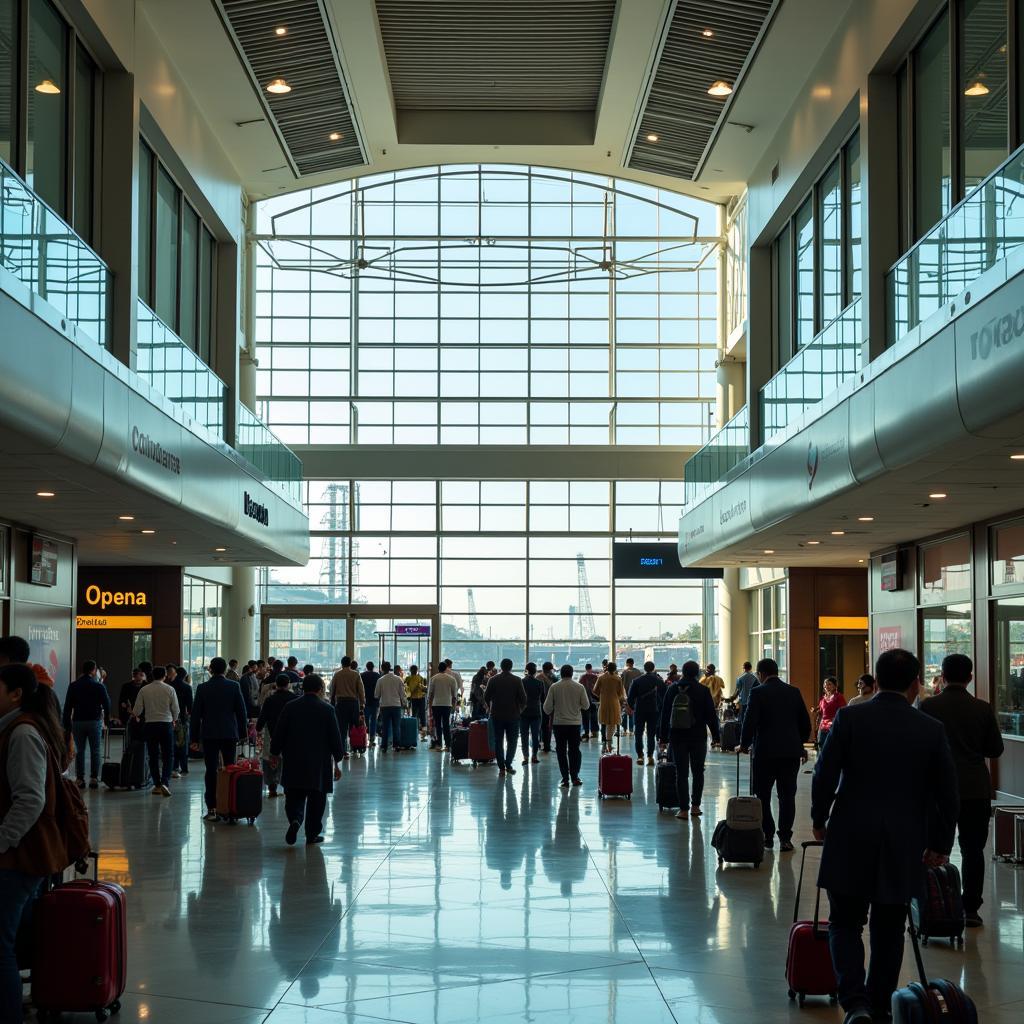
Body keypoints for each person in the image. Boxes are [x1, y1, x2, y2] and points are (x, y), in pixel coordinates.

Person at [812, 648, 958, 1024]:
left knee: (844, 922)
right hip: (903, 841)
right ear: (915, 684)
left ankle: (855, 1004)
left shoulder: (849, 718)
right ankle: (877, 1008)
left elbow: (824, 773)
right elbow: (947, 793)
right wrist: (941, 844)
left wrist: (818, 818)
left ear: (875, 682)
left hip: (849, 834)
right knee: (890, 929)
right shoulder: (929, 728)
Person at [0, 663, 75, 1023]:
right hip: (23, 856)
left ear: (16, 693)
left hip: (19, 857)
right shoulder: (22, 728)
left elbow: (30, 799)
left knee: (0, 948)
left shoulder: (22, 733)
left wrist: (0, 842)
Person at [921, 653, 1004, 927]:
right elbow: (995, 749)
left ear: (942, 677)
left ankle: (927, 905)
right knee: (972, 850)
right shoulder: (982, 708)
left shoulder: (928, 706)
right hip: (974, 789)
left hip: (935, 790)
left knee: (931, 847)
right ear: (970, 677)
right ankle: (971, 909)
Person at [738, 657, 811, 851]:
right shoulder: (794, 692)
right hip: (790, 754)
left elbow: (749, 721)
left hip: (765, 753)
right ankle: (785, 838)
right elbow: (805, 723)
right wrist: (799, 744)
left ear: (761, 674)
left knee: (762, 795)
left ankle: (768, 836)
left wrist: (744, 744)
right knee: (787, 796)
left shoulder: (758, 692)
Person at [270, 674, 344, 846]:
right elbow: (335, 738)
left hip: (293, 759)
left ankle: (295, 819)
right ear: (320, 689)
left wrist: (274, 753)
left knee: (294, 794)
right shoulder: (327, 709)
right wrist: (337, 760)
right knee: (317, 798)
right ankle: (312, 834)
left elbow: (279, 733)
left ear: (303, 688)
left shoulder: (290, 707)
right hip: (319, 762)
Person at [657, 661, 720, 819]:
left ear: (683, 672)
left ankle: (683, 809)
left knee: (681, 773)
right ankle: (695, 807)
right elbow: (711, 716)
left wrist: (663, 738)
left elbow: (664, 715)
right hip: (698, 737)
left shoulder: (672, 689)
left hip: (677, 737)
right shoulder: (703, 690)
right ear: (697, 673)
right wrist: (716, 737)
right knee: (698, 772)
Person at [191, 657, 248, 821]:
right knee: (230, 769)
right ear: (224, 670)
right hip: (229, 733)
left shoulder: (203, 688)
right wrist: (243, 733)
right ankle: (230, 808)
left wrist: (194, 738)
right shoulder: (234, 686)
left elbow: (196, 716)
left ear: (210, 669)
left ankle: (212, 809)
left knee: (211, 770)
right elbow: (241, 712)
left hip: (209, 734)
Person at [62, 660, 110, 789]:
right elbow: (107, 704)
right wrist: (107, 720)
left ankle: (80, 779)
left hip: (78, 722)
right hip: (94, 721)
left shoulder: (74, 685)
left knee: (80, 750)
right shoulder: (99, 686)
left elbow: (67, 707)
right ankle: (94, 778)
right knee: (95, 750)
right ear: (94, 670)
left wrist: (67, 724)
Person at [132, 666, 179, 797]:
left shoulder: (144, 689)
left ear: (151, 675)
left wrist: (134, 713)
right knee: (168, 755)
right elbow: (176, 709)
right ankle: (165, 782)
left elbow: (137, 711)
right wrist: (174, 719)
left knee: (152, 755)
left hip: (150, 725)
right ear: (164, 676)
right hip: (166, 724)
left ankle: (157, 784)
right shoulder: (170, 689)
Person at [544, 664, 590, 787]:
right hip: (574, 724)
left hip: (559, 724)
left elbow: (547, 708)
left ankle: (565, 778)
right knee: (575, 750)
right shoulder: (579, 687)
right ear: (572, 673)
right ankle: (575, 777)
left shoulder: (554, 687)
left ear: (561, 674)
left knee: (561, 751)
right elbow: (586, 706)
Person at [256, 673, 299, 797]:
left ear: (276, 684)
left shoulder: (270, 700)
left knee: (271, 760)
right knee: (288, 760)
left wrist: (258, 728)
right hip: (290, 735)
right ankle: (288, 787)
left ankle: (272, 788)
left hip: (272, 733)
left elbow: (263, 716)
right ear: (288, 684)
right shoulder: (294, 698)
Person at [484, 659, 527, 775]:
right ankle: (508, 764)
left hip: (496, 715)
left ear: (501, 667)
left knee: (498, 741)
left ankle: (501, 768)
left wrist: (490, 707)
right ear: (511, 667)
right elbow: (524, 699)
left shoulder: (493, 680)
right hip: (513, 716)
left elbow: (486, 696)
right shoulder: (517, 680)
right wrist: (519, 711)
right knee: (512, 741)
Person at [328, 656, 365, 760]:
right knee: (354, 727)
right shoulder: (356, 674)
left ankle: (343, 751)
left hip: (341, 703)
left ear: (341, 663)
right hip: (353, 703)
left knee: (342, 728)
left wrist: (332, 700)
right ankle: (355, 748)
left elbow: (332, 689)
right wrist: (362, 704)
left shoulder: (337, 674)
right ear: (350, 663)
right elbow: (361, 691)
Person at [627, 661, 662, 766]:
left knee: (638, 733)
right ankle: (650, 756)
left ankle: (640, 756)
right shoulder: (658, 681)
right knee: (651, 734)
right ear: (653, 668)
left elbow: (630, 698)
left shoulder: (637, 681)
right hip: (653, 710)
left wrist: (632, 707)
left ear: (644, 668)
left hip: (640, 710)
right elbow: (663, 697)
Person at [593, 662, 626, 752]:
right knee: (612, 723)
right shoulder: (618, 679)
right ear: (615, 669)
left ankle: (605, 742)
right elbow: (620, 694)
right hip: (614, 703)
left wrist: (602, 694)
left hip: (604, 702)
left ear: (607, 668)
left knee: (603, 723)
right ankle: (609, 744)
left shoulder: (601, 678)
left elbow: (595, 690)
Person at [375, 662, 407, 753]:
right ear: (390, 668)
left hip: (385, 706)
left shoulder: (380, 680)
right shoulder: (398, 679)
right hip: (396, 706)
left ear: (382, 669)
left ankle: (384, 746)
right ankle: (396, 745)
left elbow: (376, 695)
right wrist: (405, 703)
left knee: (385, 727)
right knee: (396, 726)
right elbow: (402, 694)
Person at [168, 665, 194, 779]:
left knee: (171, 743)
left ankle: (173, 766)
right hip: (182, 718)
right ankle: (184, 767)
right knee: (182, 743)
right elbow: (190, 706)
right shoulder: (187, 687)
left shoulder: (169, 686)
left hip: (169, 718)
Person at [427, 663, 458, 752]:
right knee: (446, 725)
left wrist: (429, 705)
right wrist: (454, 705)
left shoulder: (433, 678)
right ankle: (448, 745)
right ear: (445, 669)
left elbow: (430, 693)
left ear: (438, 668)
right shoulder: (451, 679)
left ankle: (439, 744)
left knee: (437, 725)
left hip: (436, 704)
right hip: (447, 705)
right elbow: (454, 694)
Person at [519, 663, 544, 765]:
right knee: (535, 736)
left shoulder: (521, 682)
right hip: (536, 712)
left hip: (523, 712)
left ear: (526, 670)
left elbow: (518, 697)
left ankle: (525, 757)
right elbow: (543, 699)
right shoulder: (539, 683)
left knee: (524, 736)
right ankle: (534, 756)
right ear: (535, 671)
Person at [815, 676, 846, 749]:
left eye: (829, 684)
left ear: (835, 686)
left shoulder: (839, 697)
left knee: (833, 749)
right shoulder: (822, 699)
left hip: (834, 727)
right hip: (823, 728)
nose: (826, 686)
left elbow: (843, 711)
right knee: (822, 748)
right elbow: (821, 714)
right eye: (825, 684)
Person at [620, 658, 642, 735]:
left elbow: (621, 684)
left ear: (627, 663)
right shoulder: (638, 672)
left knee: (625, 712)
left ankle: (625, 729)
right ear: (633, 663)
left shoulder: (625, 672)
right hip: (636, 696)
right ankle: (632, 729)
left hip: (627, 695)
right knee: (634, 711)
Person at [361, 661, 381, 748]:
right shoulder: (377, 676)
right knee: (373, 721)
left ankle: (364, 738)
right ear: (373, 667)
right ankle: (372, 739)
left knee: (364, 721)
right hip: (375, 701)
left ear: (366, 667)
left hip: (365, 701)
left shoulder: (362, 675)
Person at [540, 662, 558, 753]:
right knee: (547, 725)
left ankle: (542, 743)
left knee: (543, 725)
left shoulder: (539, 677)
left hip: (541, 704)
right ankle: (546, 745)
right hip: (548, 704)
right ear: (550, 669)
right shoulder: (550, 678)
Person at [405, 666, 428, 735]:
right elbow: (424, 689)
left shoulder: (408, 678)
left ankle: (415, 729)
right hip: (420, 698)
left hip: (414, 698)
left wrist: (408, 696)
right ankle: (423, 730)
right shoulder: (420, 678)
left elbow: (406, 688)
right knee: (421, 714)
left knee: (415, 714)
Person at [579, 663, 599, 740]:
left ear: (585, 668)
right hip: (594, 700)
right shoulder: (595, 677)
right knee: (594, 716)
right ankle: (595, 732)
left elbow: (580, 688)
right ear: (591, 668)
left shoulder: (582, 677)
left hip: (585, 699)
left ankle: (586, 732)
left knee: (585, 716)